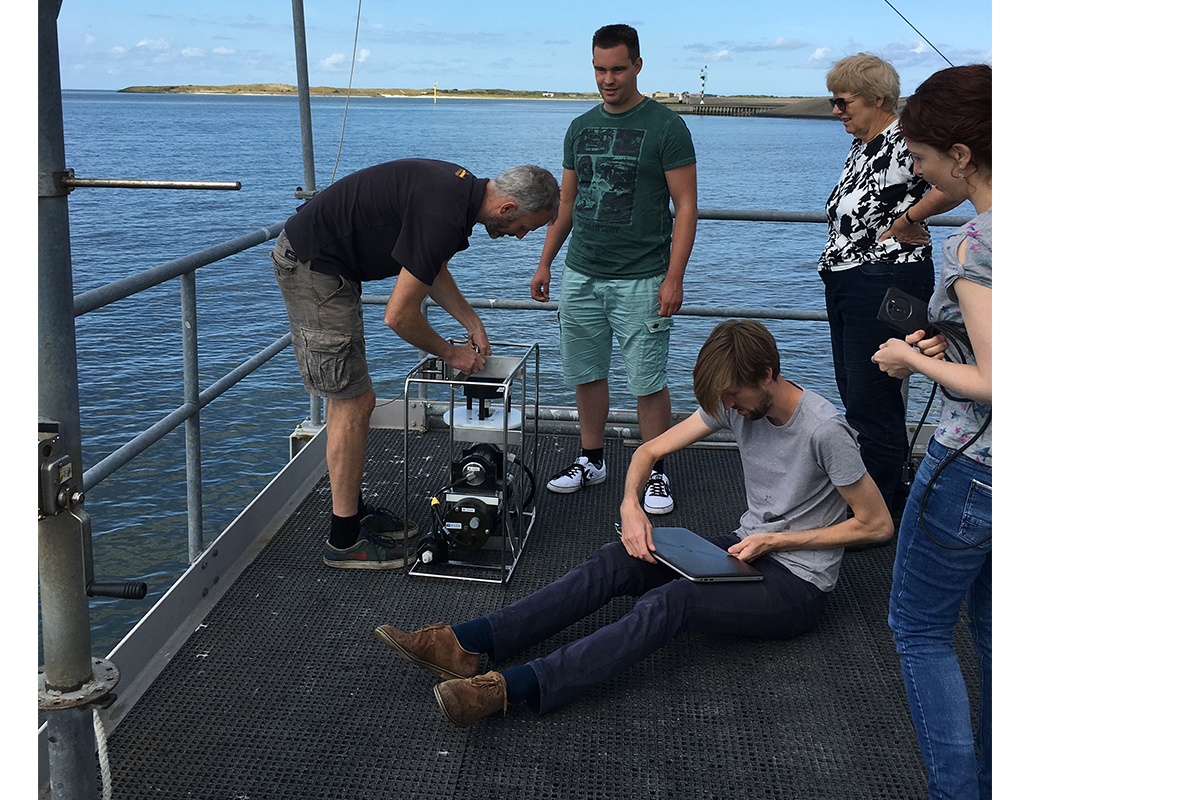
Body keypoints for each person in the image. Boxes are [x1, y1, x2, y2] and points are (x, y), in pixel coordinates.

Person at [374, 320, 893, 727]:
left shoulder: (825, 431)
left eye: (734, 396)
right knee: (618, 558)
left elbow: (875, 526)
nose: (727, 408)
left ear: (767, 376)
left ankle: (515, 688)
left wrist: (779, 539)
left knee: (672, 602)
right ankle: (467, 643)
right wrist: (630, 506)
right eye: (723, 399)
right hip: (745, 549)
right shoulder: (737, 403)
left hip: (798, 584)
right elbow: (648, 450)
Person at [272, 159, 559, 569]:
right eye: (526, 228)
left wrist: (471, 321)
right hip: (313, 265)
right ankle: (344, 540)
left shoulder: (460, 194)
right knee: (353, 401)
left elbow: (432, 266)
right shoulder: (445, 212)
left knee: (353, 400)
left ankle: (350, 509)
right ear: (508, 208)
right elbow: (399, 316)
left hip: (332, 263)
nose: (519, 237)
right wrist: (451, 351)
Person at [870, 64, 992, 800]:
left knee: (917, 630)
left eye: (920, 156)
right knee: (996, 634)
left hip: (971, 469)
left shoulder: (976, 245)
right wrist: (961, 345)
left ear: (962, 154)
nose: (917, 169)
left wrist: (903, 358)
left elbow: (999, 383)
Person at [530, 24, 698, 516]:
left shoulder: (667, 127)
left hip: (644, 276)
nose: (608, 79)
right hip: (581, 272)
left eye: (618, 68)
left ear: (638, 66)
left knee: (647, 379)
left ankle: (656, 472)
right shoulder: (579, 127)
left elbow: (685, 207)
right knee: (586, 372)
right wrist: (545, 262)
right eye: (600, 69)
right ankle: (592, 459)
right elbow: (567, 200)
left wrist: (675, 276)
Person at [817, 54, 961, 523]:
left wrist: (910, 218)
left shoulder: (902, 140)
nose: (836, 111)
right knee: (857, 392)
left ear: (877, 98)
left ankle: (873, 515)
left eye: (843, 101)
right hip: (851, 279)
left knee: (871, 399)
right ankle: (884, 497)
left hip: (882, 280)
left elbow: (957, 183)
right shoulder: (867, 143)